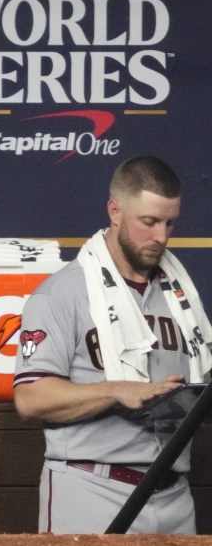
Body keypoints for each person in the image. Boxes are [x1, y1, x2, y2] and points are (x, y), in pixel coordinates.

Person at [13, 155, 212, 534]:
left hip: (174, 494)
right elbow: (30, 398)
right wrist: (117, 390)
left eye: (170, 223)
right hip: (91, 489)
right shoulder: (61, 294)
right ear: (115, 210)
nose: (162, 237)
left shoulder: (182, 297)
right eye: (149, 222)